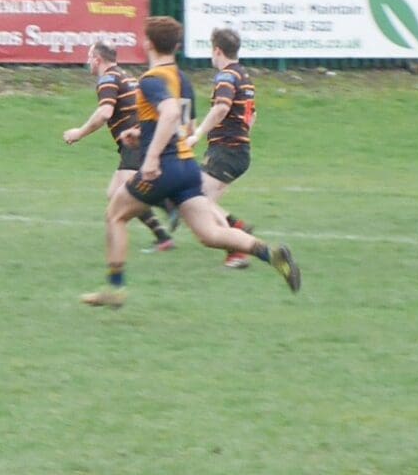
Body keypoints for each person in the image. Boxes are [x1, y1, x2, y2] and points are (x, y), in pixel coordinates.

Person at [84, 16, 298, 307]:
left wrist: (151, 156)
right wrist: (141, 134)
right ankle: (271, 254)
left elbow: (170, 113)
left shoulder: (151, 79)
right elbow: (184, 126)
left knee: (115, 215)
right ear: (176, 46)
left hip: (163, 169)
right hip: (187, 168)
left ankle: (115, 289)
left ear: (148, 43)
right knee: (210, 234)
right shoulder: (182, 79)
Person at [61, 40, 175, 253]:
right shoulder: (126, 77)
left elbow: (105, 113)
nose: (87, 61)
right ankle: (163, 236)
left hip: (134, 140)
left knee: (129, 191)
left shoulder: (107, 79)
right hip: (139, 139)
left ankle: (168, 203)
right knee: (116, 194)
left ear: (98, 60)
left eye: (89, 57)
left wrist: (79, 133)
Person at [186, 27, 258, 269]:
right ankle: (236, 228)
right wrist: (241, 137)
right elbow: (252, 115)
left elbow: (221, 108)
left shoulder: (226, 76)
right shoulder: (244, 76)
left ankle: (237, 249)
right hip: (236, 150)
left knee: (197, 199)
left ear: (217, 50)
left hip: (226, 151)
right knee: (201, 198)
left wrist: (197, 134)